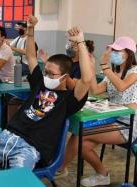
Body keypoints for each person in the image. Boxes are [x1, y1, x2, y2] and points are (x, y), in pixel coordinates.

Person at [0, 15, 92, 175]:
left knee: (17, 180)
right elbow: (31, 56)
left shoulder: (69, 99)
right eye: (45, 72)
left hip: (31, 148)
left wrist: (81, 43)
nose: (46, 76)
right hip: (8, 136)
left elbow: (87, 78)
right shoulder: (40, 84)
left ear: (65, 76)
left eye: (52, 74)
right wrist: (30, 30)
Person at [59, 36, 137, 187]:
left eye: (116, 50)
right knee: (82, 142)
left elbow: (121, 86)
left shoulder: (135, 71)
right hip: (112, 119)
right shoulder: (112, 72)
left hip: (130, 123)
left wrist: (104, 66)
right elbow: (95, 90)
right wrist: (93, 66)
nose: (112, 53)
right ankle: (102, 173)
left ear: (128, 53)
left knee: (79, 135)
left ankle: (60, 168)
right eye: (112, 49)